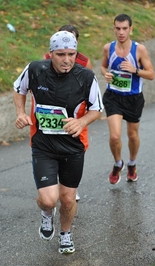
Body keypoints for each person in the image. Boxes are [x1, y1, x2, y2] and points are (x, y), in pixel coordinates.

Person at [13, 31, 104, 254]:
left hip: (72, 147)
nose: (67, 59)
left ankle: (65, 233)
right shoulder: (35, 70)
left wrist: (81, 122)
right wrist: (20, 113)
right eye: (61, 54)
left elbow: (97, 109)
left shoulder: (86, 77)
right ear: (50, 53)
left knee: (68, 198)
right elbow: (19, 89)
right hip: (43, 144)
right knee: (48, 200)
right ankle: (46, 214)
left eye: (71, 54)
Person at [100, 14, 155, 185]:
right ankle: (118, 163)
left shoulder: (139, 50)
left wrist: (135, 70)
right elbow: (103, 66)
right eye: (118, 28)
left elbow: (151, 74)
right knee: (115, 136)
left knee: (132, 135)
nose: (121, 32)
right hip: (113, 96)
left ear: (131, 29)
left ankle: (132, 163)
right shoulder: (108, 48)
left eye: (125, 28)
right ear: (114, 28)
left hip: (133, 98)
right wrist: (106, 74)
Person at [44, 25, 92, 202]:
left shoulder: (84, 63)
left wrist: (83, 119)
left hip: (76, 116)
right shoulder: (48, 62)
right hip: (53, 115)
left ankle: (71, 187)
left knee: (76, 150)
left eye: (71, 39)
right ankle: (55, 185)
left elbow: (91, 94)